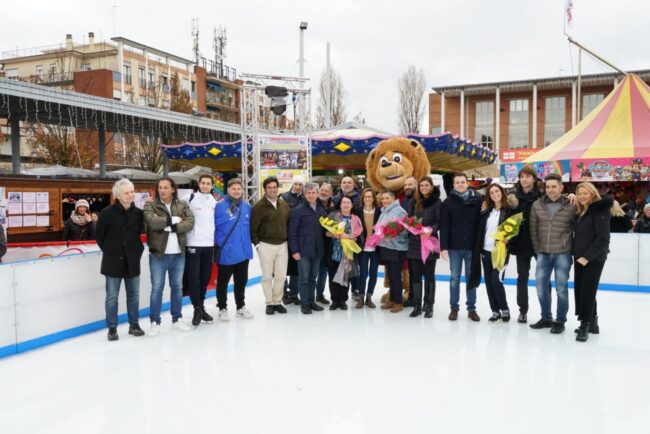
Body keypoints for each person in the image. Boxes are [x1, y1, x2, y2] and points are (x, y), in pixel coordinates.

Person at [143, 177, 195, 336]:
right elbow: (152, 222)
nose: (162, 190)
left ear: (173, 189)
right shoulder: (150, 204)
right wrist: (173, 220)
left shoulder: (182, 204)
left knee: (177, 287)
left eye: (166, 187)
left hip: (178, 254)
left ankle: (176, 319)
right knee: (157, 289)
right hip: (158, 254)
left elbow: (190, 222)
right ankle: (154, 321)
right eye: (160, 187)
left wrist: (169, 228)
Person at [95, 178, 145, 341]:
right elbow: (99, 237)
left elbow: (140, 235)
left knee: (134, 295)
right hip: (113, 261)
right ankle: (112, 327)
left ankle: (134, 324)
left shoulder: (138, 213)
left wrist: (137, 251)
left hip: (132, 260)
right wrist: (111, 251)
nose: (131, 195)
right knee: (112, 297)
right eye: (127, 192)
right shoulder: (107, 213)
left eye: (132, 191)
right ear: (117, 195)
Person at [529, 173, 577, 334]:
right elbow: (533, 229)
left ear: (561, 187)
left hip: (563, 253)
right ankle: (546, 317)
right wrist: (537, 250)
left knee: (561, 288)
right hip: (543, 253)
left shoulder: (571, 205)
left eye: (554, 186)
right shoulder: (537, 205)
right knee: (541, 287)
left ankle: (560, 320)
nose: (550, 190)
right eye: (548, 187)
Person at [470, 183, 517, 322]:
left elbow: (514, 231)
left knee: (496, 281)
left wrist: (509, 239)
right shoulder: (486, 211)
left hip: (500, 252)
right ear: (489, 196)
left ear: (502, 192)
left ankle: (505, 309)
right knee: (489, 283)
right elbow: (481, 230)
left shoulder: (509, 210)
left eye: (497, 191)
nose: (495, 194)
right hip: (486, 251)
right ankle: (495, 311)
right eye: (491, 193)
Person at [439, 173, 483, 322]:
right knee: (455, 278)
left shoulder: (477, 200)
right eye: (457, 182)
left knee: (471, 278)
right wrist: (443, 246)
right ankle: (454, 308)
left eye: (462, 182)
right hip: (454, 247)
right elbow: (444, 226)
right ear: (453, 184)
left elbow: (480, 224)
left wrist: (480, 245)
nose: (460, 184)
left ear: (467, 183)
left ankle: (472, 309)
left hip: (471, 247)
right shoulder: (448, 202)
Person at [572, 182, 611, 342]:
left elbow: (603, 239)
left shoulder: (600, 211)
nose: (582, 196)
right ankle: (593, 322)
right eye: (579, 193)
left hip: (593, 259)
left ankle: (585, 325)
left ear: (593, 194)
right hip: (580, 258)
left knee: (587, 291)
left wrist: (586, 257)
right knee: (582, 290)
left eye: (585, 193)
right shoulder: (583, 211)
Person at [214, 178, 254, 320]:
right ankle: (222, 307)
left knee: (241, 281)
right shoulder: (218, 206)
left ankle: (240, 306)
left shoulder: (246, 207)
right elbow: (213, 228)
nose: (236, 191)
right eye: (233, 189)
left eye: (239, 189)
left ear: (242, 190)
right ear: (228, 190)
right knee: (223, 282)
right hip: (227, 252)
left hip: (243, 252)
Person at [251, 176, 290, 315]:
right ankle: (269, 302)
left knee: (281, 276)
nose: (272, 190)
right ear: (265, 189)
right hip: (266, 245)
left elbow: (288, 223)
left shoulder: (283, 204)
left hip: (282, 245)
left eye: (274, 187)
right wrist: (257, 245)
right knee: (267, 276)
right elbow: (253, 228)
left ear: (277, 188)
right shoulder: (258, 207)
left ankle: (277, 301)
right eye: (269, 187)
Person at [288, 182, 327, 315]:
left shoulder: (321, 210)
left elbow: (326, 229)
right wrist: (294, 250)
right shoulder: (298, 210)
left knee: (313, 277)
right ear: (304, 194)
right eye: (308, 193)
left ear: (317, 194)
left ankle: (311, 301)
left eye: (313, 193)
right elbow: (292, 232)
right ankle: (304, 303)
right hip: (303, 251)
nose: (311, 195)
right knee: (303, 278)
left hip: (317, 250)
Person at [185, 174, 218, 327]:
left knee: (204, 278)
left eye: (208, 183)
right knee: (193, 278)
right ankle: (197, 308)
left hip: (208, 245)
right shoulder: (189, 198)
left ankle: (200, 307)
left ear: (212, 185)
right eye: (203, 183)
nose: (205, 185)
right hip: (193, 243)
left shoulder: (214, 201)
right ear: (199, 184)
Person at [406, 176, 441, 318]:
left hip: (430, 242)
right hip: (415, 243)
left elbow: (440, 221)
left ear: (431, 187)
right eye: (421, 186)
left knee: (429, 275)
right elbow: (409, 220)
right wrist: (414, 229)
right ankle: (417, 305)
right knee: (416, 276)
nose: (424, 188)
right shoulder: (413, 201)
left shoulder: (437, 202)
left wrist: (431, 230)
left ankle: (429, 304)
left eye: (426, 185)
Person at [326, 196, 363, 310]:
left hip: (348, 253)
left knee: (345, 278)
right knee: (333, 278)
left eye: (348, 202)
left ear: (352, 205)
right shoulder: (333, 216)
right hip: (334, 253)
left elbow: (359, 236)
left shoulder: (356, 218)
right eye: (344, 202)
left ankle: (343, 300)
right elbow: (326, 233)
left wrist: (350, 237)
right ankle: (334, 300)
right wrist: (334, 234)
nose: (346, 204)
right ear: (340, 205)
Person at [377, 190, 409, 313]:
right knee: (390, 275)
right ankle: (391, 299)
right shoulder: (384, 210)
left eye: (387, 198)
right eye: (383, 198)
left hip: (397, 248)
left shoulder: (400, 211)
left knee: (396, 276)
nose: (385, 201)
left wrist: (393, 233)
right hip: (386, 247)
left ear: (393, 198)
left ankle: (398, 302)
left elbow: (405, 230)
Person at [280, 175, 306, 305]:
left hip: (298, 238)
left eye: (300, 185)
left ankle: (294, 293)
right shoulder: (283, 197)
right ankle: (284, 293)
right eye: (296, 184)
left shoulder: (304, 198)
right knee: (283, 266)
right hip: (284, 237)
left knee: (296, 267)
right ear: (292, 184)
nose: (298, 187)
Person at [357, 188, 381, 309]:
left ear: (373, 199)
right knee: (363, 273)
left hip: (376, 248)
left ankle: (369, 297)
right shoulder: (357, 211)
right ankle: (360, 296)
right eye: (365, 197)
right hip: (363, 248)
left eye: (370, 197)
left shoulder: (379, 212)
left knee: (373, 273)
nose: (367, 199)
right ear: (363, 198)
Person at [315, 182, 335, 305]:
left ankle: (319, 294)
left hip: (329, 244)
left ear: (331, 193)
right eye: (322, 189)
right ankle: (307, 296)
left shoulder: (334, 205)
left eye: (326, 191)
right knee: (313, 271)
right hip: (315, 243)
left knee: (323, 270)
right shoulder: (313, 203)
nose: (323, 192)